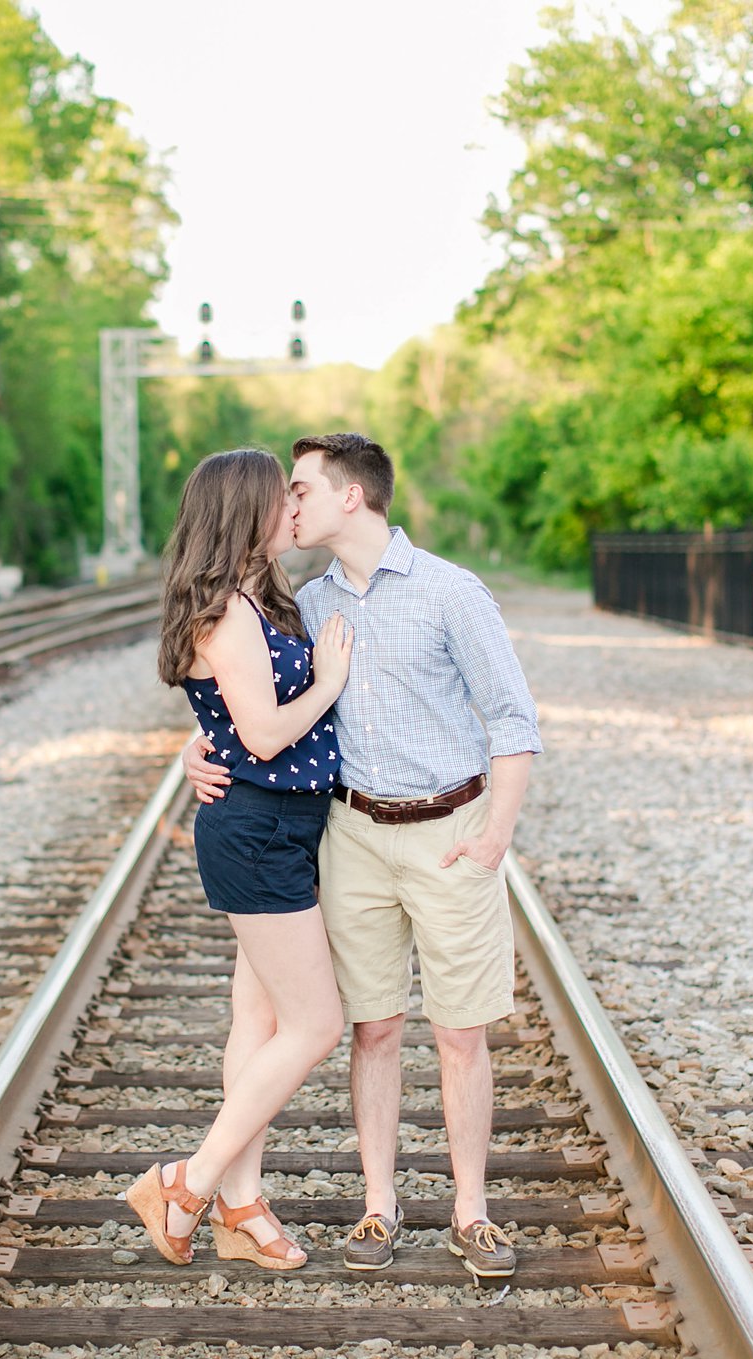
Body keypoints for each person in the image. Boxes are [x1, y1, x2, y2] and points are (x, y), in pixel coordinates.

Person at [187, 432, 541, 1280]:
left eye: (301, 489)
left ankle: (471, 1211)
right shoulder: (301, 603)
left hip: (450, 831)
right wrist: (195, 752)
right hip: (349, 835)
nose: (290, 505)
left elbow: (514, 718)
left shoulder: (450, 592)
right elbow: (247, 698)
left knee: (459, 1034)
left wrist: (494, 835)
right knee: (372, 1027)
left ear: (353, 497)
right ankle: (379, 1208)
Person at [128, 447, 355, 1270]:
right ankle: (186, 1181)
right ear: (246, 513)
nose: (291, 509)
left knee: (257, 1020)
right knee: (317, 1024)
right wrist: (328, 680)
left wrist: (204, 741)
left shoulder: (260, 596)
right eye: (280, 498)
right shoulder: (226, 609)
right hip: (258, 832)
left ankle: (238, 1207)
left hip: (283, 825)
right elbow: (261, 733)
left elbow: (231, 721)